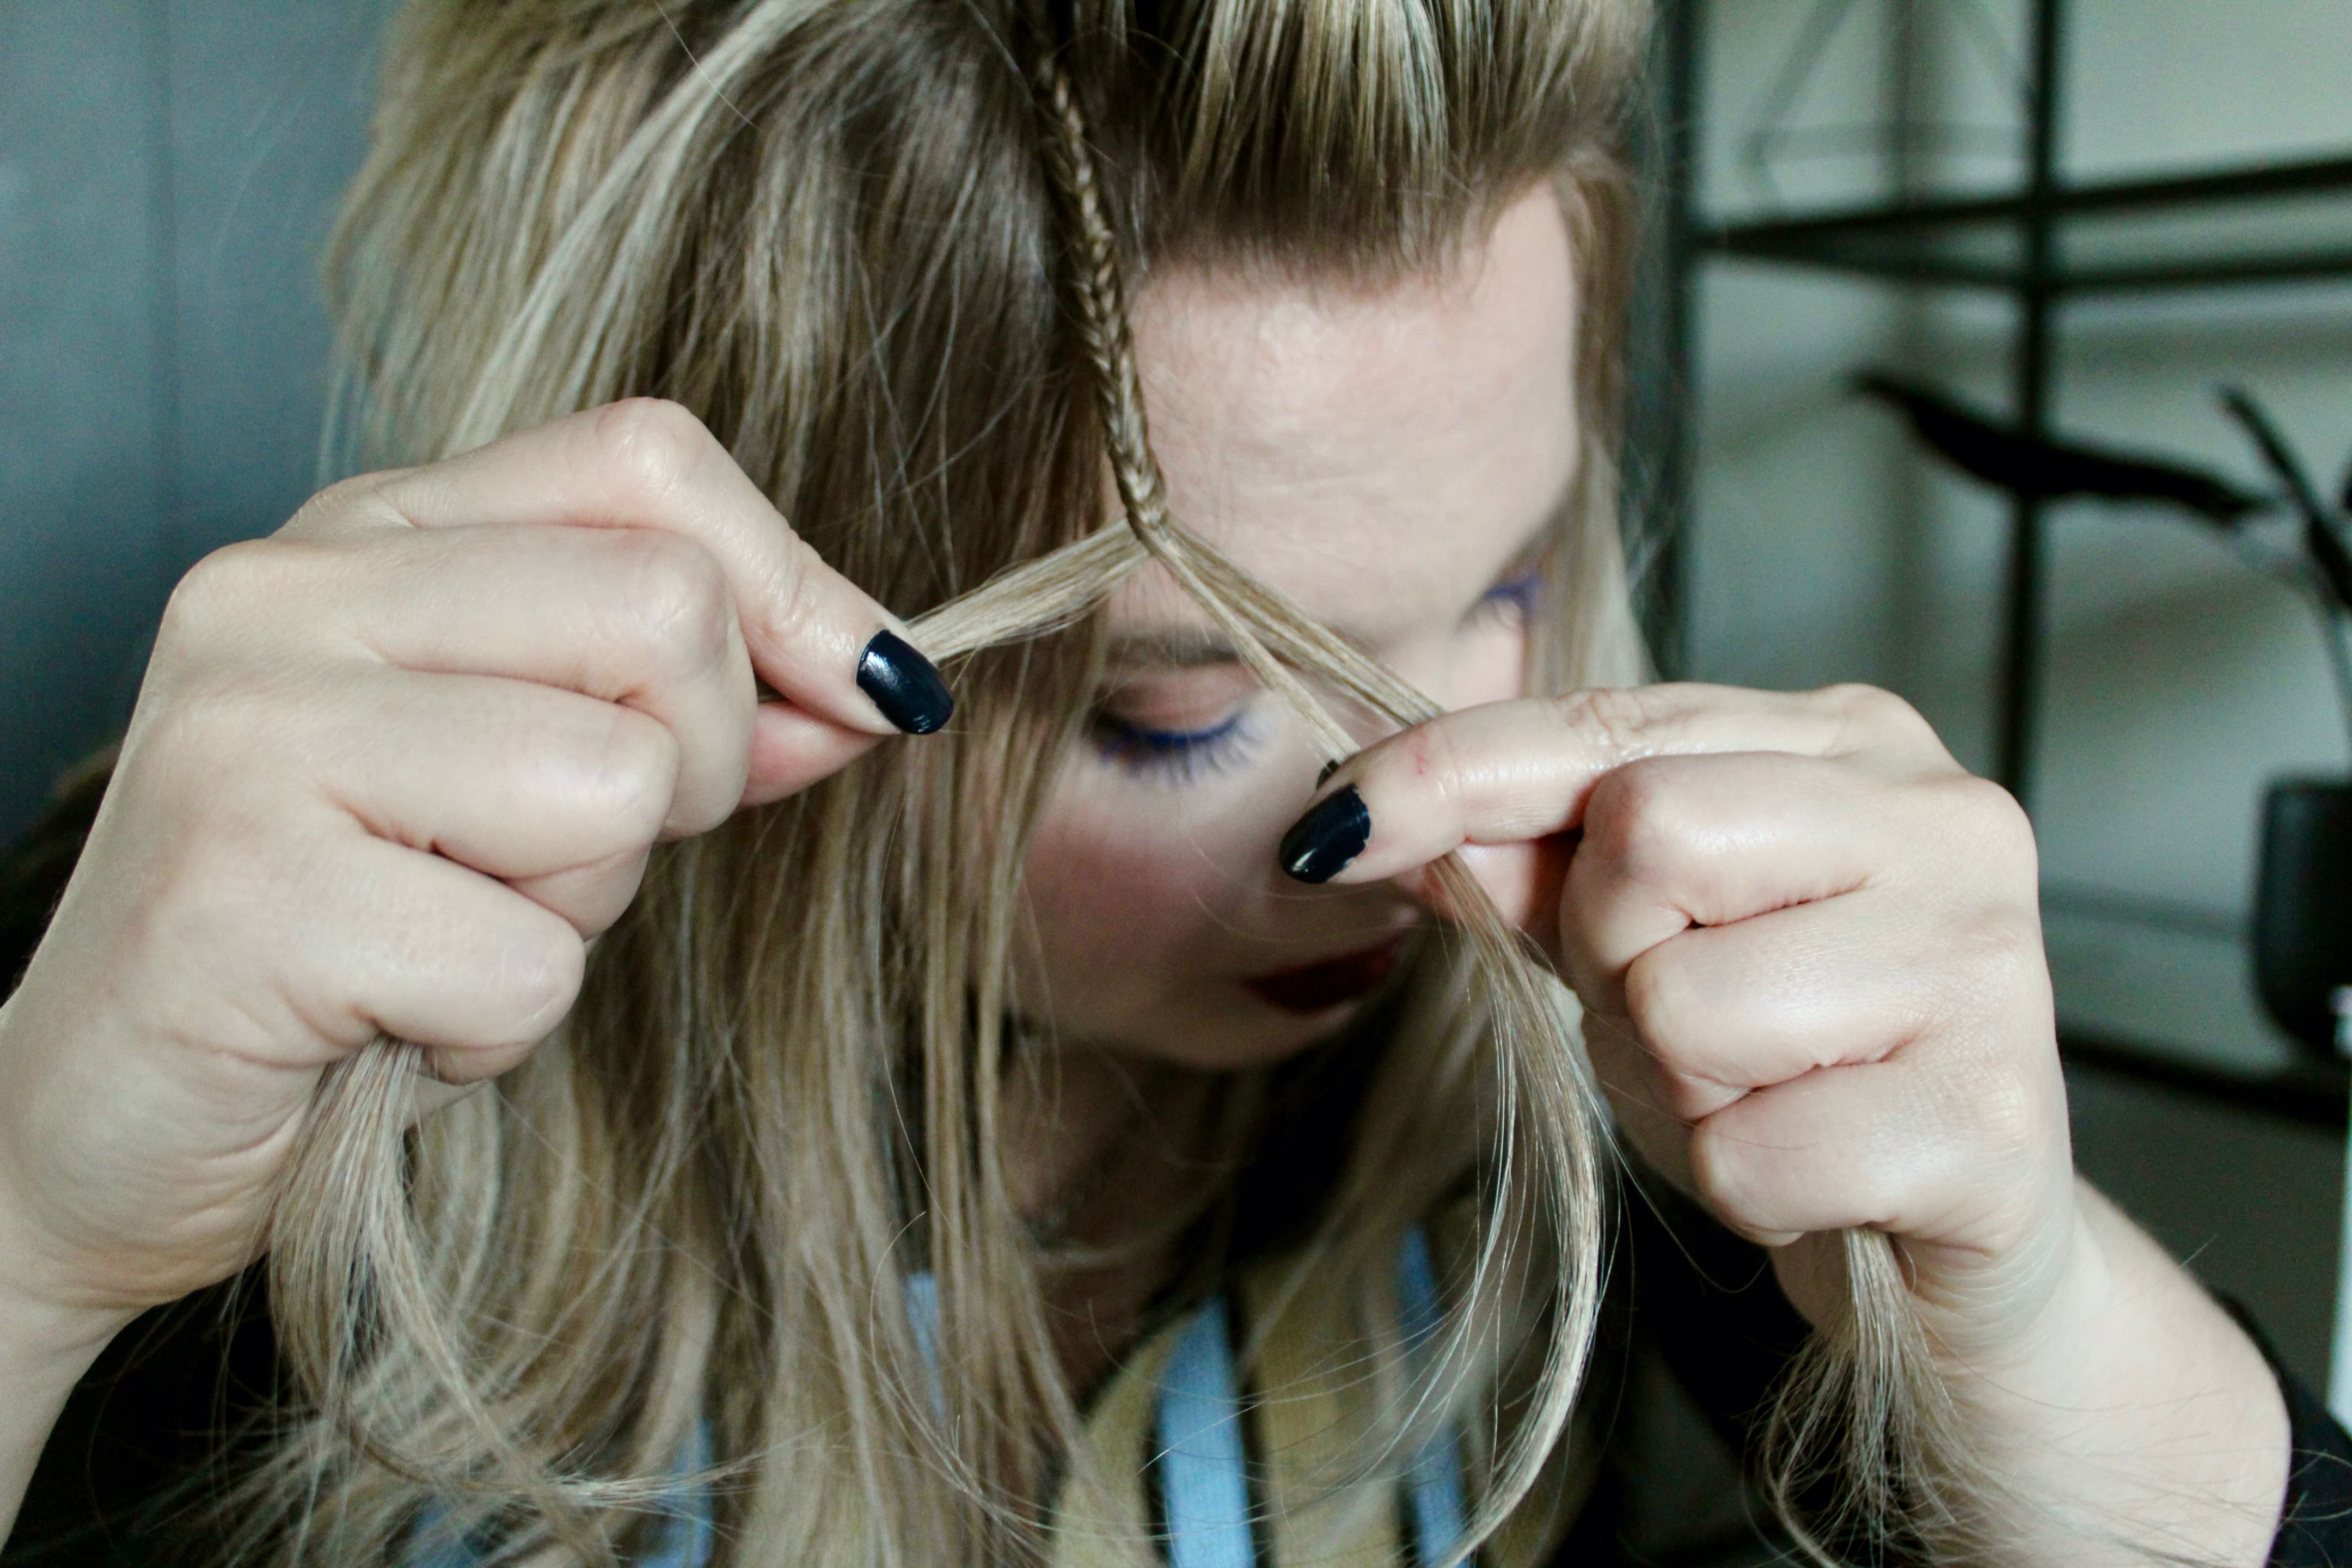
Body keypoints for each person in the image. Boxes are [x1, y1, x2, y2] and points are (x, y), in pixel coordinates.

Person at [0, 2, 2344, 1565]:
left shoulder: (1623, 1062)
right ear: (716, 599)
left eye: (1510, 585)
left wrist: (2021, 1310)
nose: (1434, 808)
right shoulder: (234, 1009)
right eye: (1173, 710)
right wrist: (30, 1232)